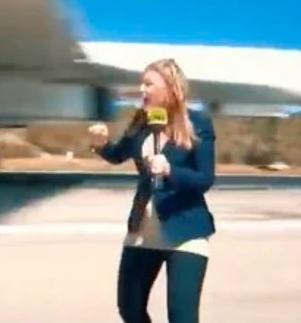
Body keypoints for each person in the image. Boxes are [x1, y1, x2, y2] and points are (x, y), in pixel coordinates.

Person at [88, 58, 217, 323]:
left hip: (185, 232)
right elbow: (118, 154)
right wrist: (101, 144)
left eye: (149, 84)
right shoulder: (141, 122)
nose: (142, 89)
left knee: (182, 318)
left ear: (170, 87)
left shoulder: (198, 123)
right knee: (129, 309)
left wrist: (170, 171)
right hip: (143, 232)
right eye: (141, 84)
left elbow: (204, 179)